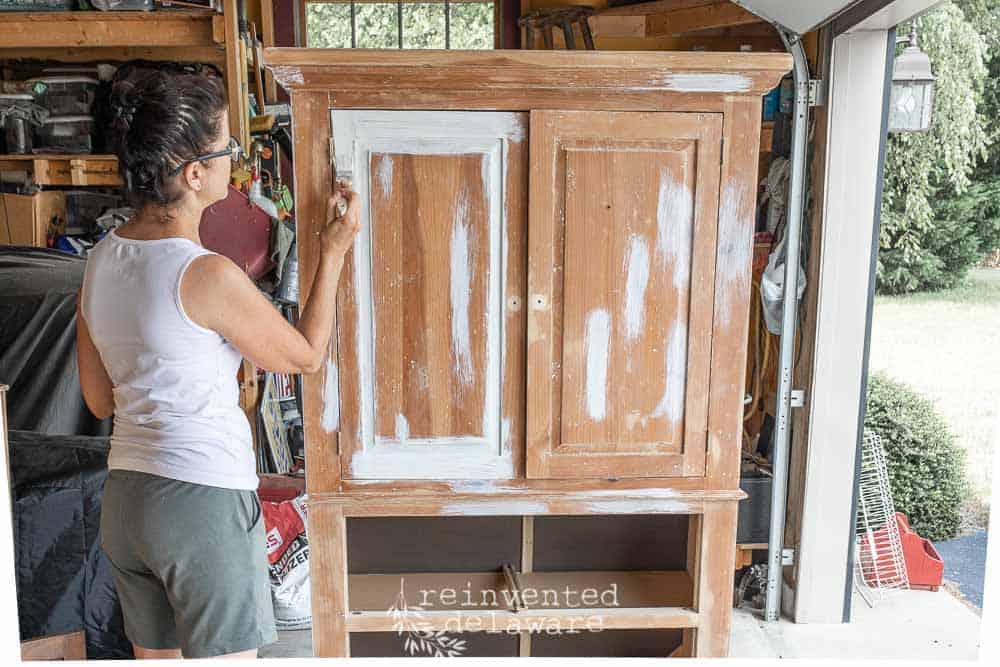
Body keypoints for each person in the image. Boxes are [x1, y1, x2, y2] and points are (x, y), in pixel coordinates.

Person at [76, 65, 361, 659]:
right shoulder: (204, 274)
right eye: (228, 148)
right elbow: (305, 356)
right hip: (199, 501)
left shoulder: (101, 260)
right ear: (194, 172)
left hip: (128, 500)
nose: (237, 161)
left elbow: (100, 401)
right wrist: (332, 251)